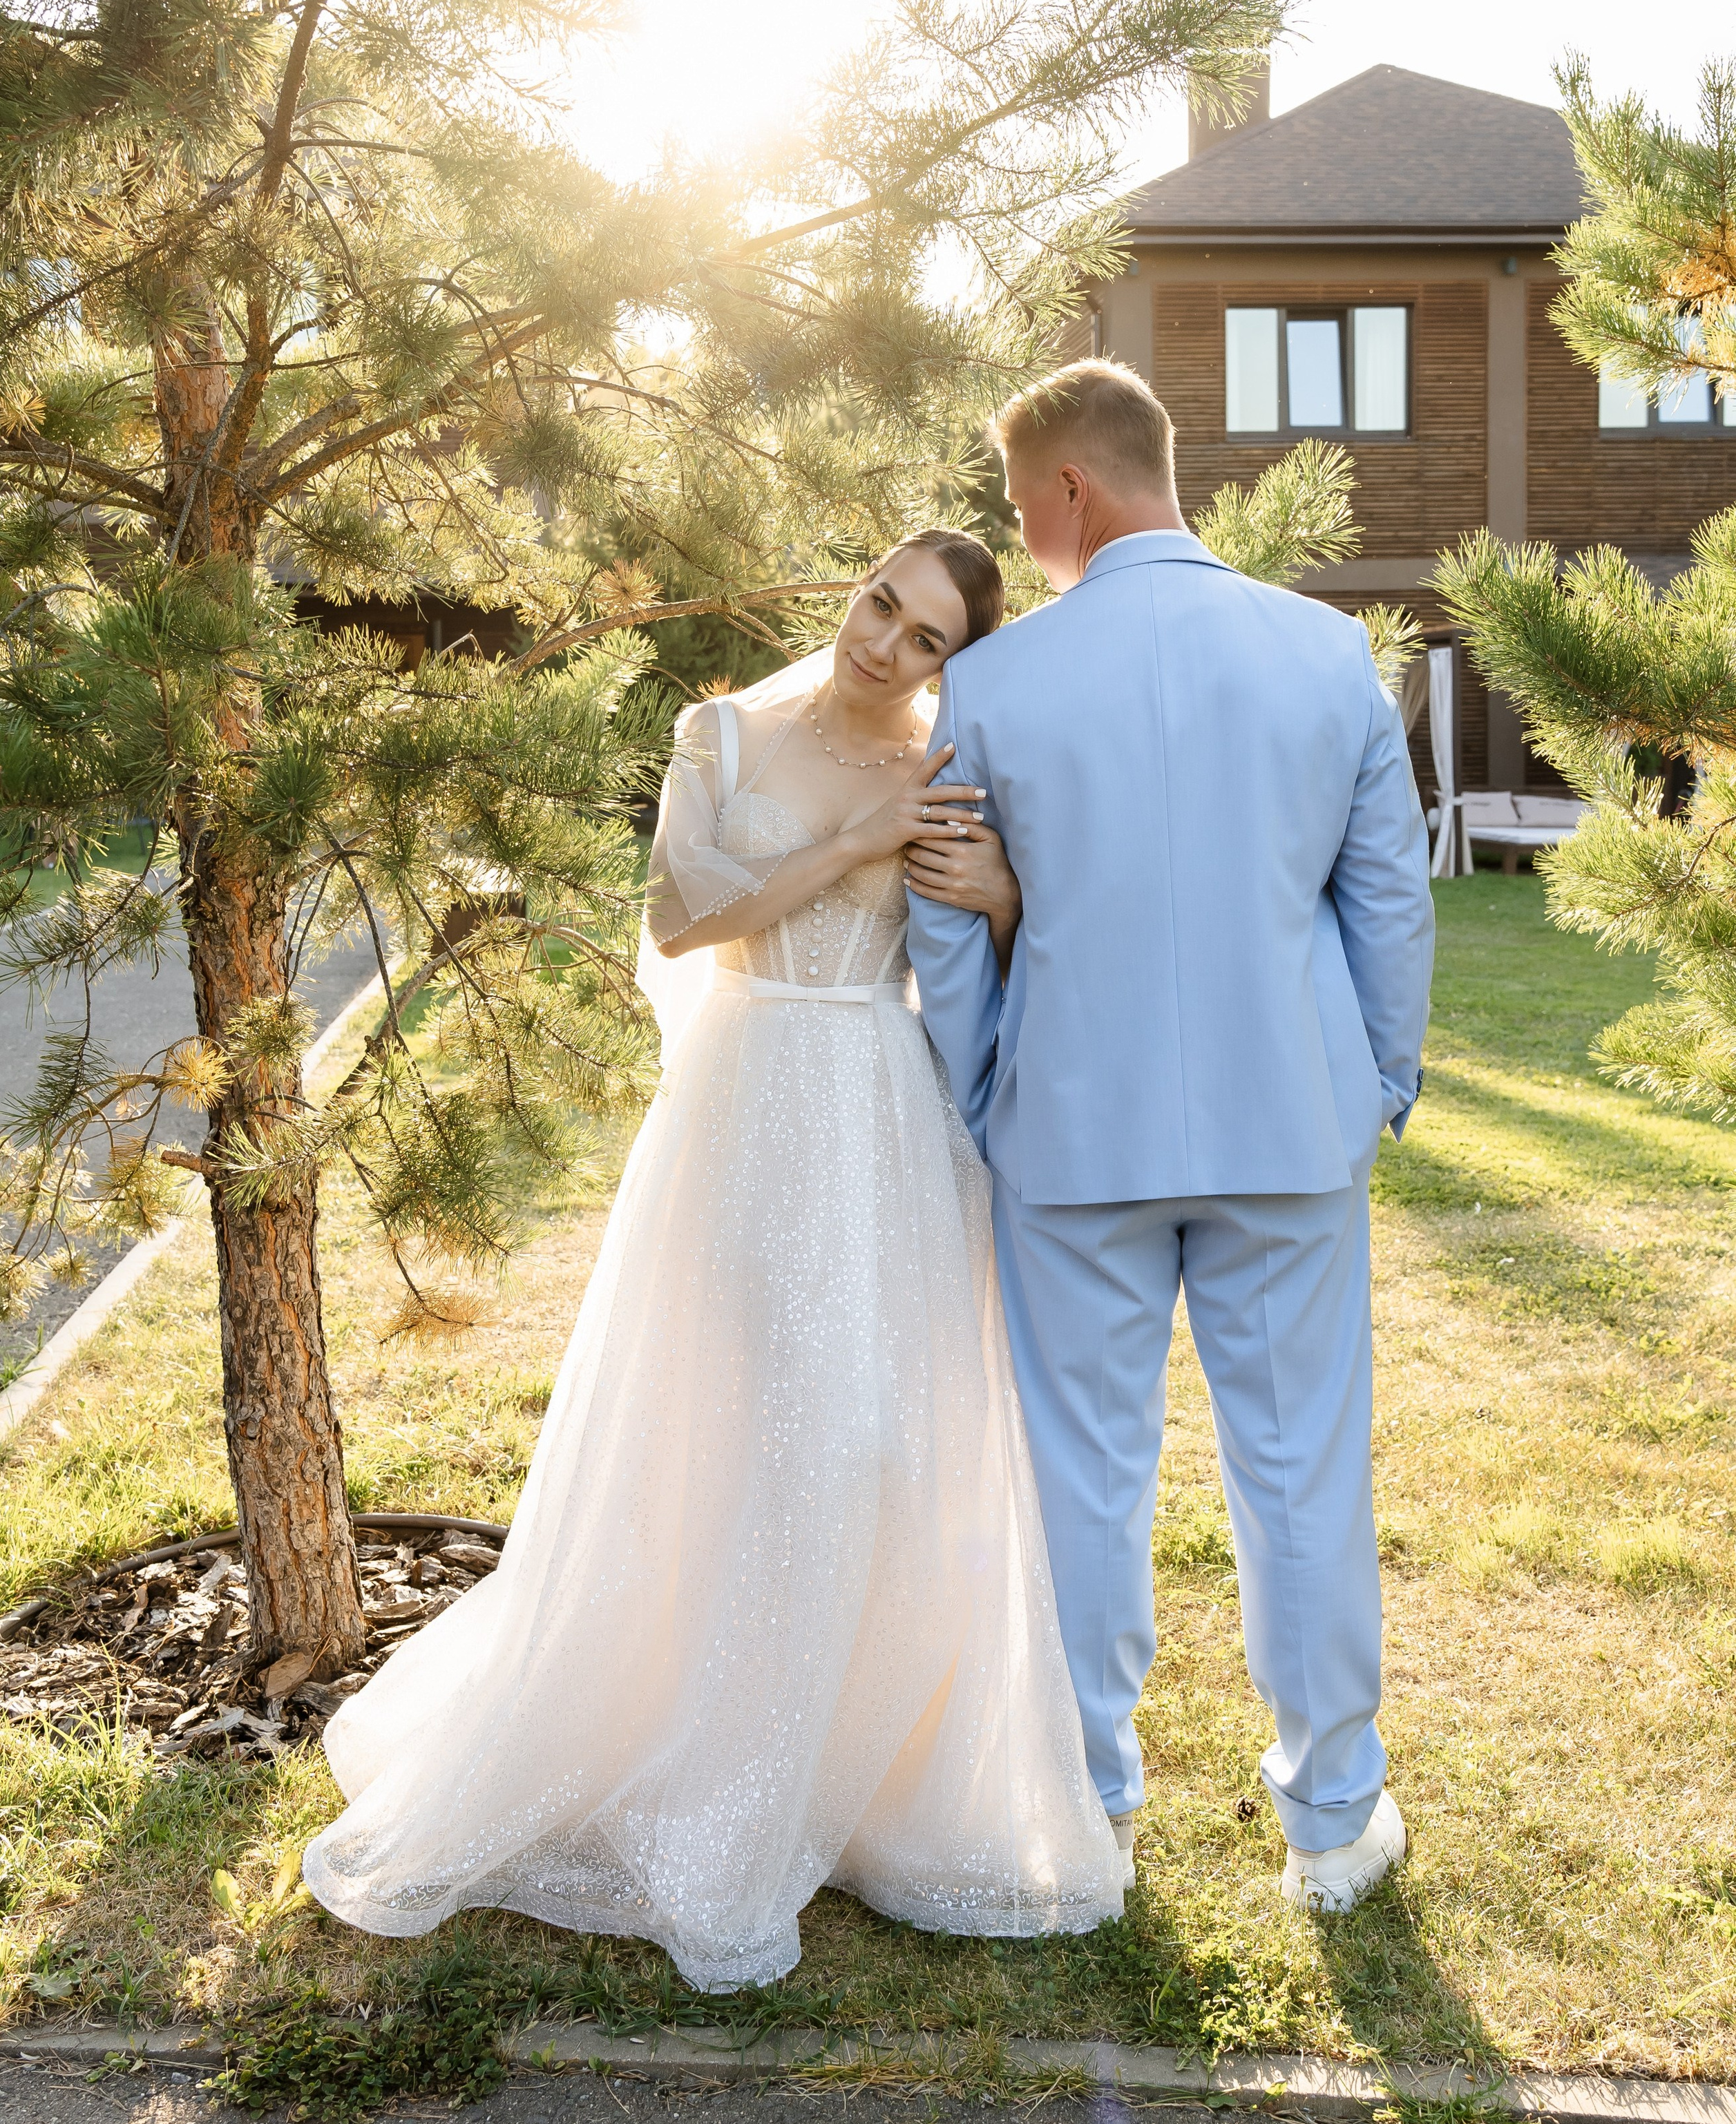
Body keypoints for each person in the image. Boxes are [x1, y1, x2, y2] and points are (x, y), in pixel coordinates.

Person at [301, 530, 1123, 1991]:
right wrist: (851, 846)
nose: (884, 645)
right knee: (733, 1432)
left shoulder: (945, 766)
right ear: (852, 589)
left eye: (924, 637)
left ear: (951, 662)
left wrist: (995, 891)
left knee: (877, 1442)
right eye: (881, 604)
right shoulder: (721, 732)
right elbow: (684, 919)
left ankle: (847, 1774)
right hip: (743, 1106)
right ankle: (696, 1760)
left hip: (878, 1118)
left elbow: (1006, 929)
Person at [906, 360, 1435, 1913]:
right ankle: (1333, 1826)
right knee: (1300, 1474)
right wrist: (1375, 1086)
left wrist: (988, 1089)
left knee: (1082, 1476)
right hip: (1292, 1131)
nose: (1025, 534)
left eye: (1020, 506)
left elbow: (948, 917)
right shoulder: (1328, 653)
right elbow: (1385, 900)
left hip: (1071, 1132)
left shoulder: (995, 686)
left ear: (1068, 486)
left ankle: (1091, 1813)